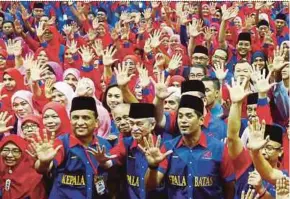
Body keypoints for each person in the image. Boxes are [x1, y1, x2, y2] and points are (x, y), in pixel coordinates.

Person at [141, 94, 235, 199]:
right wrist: (152, 166)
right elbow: (150, 186)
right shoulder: (168, 147)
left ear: (201, 120)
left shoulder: (218, 148)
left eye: (189, 116)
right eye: (180, 116)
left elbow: (230, 186)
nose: (183, 120)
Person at [32, 96, 114, 199]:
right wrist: (44, 162)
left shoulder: (104, 144)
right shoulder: (61, 143)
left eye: (86, 118)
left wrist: (105, 164)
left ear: (96, 122)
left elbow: (113, 173)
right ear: (70, 120)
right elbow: (44, 168)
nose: (79, 123)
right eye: (75, 118)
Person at [0, 135, 47, 199]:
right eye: (6, 150)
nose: (9, 155)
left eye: (15, 151)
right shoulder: (2, 171)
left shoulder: (33, 179)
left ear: (23, 153)